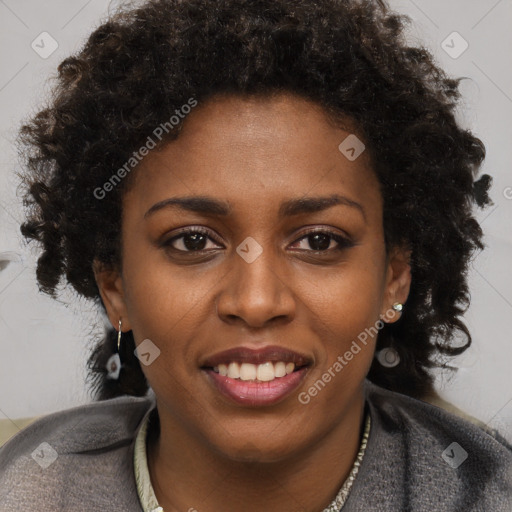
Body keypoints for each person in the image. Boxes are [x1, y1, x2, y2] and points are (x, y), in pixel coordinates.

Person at [0, 0, 510, 510]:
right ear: (115, 287)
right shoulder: (27, 486)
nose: (257, 301)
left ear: (395, 277)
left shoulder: (487, 492)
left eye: (319, 241)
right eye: (193, 241)